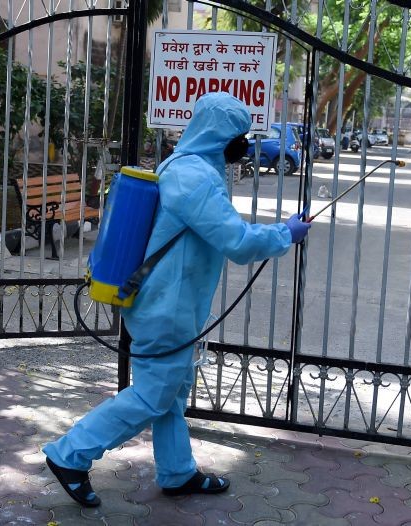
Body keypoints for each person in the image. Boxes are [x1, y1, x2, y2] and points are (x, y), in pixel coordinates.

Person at [42, 92, 311, 507]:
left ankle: (177, 472)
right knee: (152, 395)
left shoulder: (190, 167)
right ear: (216, 134)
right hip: (165, 310)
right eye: (237, 136)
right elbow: (236, 241)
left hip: (172, 306)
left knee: (170, 394)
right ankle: (70, 454)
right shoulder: (194, 178)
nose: (242, 144)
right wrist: (284, 233)